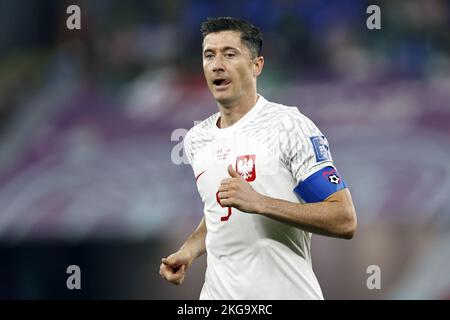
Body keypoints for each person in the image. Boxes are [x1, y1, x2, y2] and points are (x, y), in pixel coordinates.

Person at [159, 17, 357, 300]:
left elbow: (343, 218)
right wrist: (189, 251)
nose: (217, 64)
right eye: (209, 55)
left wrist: (260, 202)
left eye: (229, 54)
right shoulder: (195, 139)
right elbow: (218, 213)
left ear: (256, 65)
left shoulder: (289, 126)